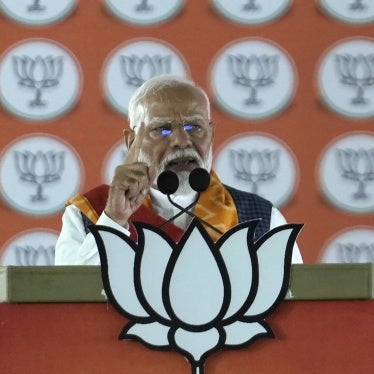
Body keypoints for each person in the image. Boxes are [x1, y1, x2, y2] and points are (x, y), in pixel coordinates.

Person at [54, 75, 302, 265]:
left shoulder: (261, 218)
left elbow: (295, 309)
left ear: (212, 134)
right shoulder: (89, 212)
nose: (182, 141)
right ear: (131, 141)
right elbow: (70, 305)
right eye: (162, 129)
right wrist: (114, 221)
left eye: (195, 127)